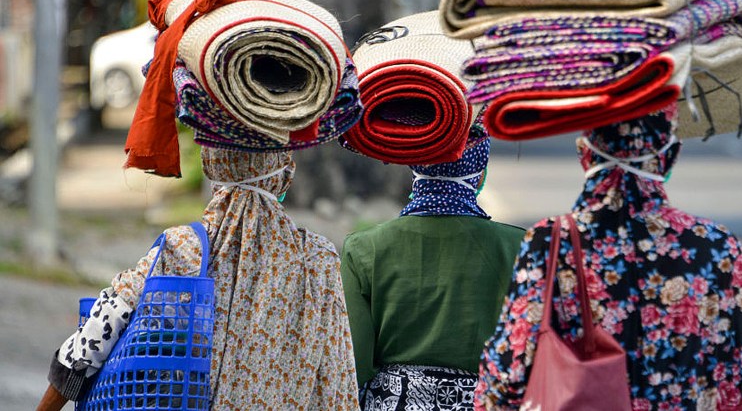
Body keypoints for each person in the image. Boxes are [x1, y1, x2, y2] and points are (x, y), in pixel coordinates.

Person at [475, 103, 742, 410]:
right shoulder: (717, 246)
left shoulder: (551, 240)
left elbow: (510, 369)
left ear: (585, 153)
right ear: (670, 155)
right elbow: (736, 379)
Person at [37, 147, 360, 410]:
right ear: (284, 174)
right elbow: (338, 379)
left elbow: (94, 337)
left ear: (213, 165)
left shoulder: (185, 247)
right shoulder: (317, 258)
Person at [341, 127, 525, 410]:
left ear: (414, 164)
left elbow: (354, 364)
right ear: (480, 172)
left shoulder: (363, 248)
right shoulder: (520, 246)